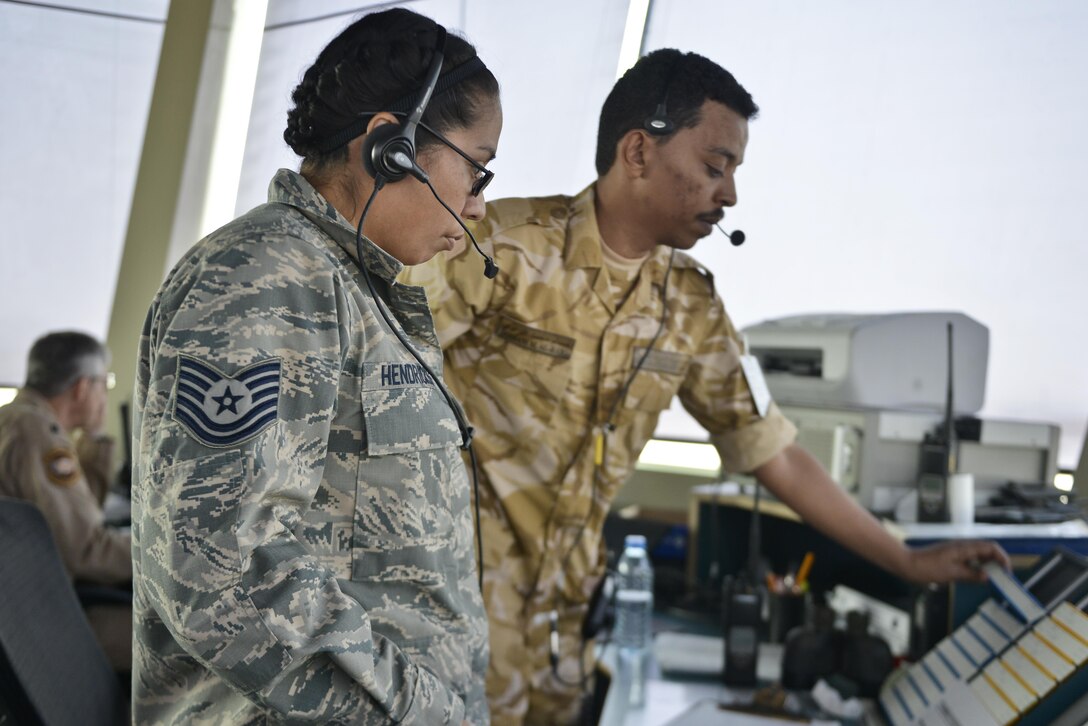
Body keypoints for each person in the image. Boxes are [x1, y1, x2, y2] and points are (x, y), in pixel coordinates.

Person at [401, 49, 1011, 725]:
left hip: (564, 631)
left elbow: (773, 451)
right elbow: (372, 376)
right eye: (715, 167)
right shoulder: (499, 248)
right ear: (637, 151)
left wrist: (907, 560)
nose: (730, 195)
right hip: (451, 614)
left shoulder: (690, 306)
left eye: (734, 174)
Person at [131, 8, 501, 724]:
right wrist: (417, 710)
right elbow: (220, 574)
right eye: (476, 169)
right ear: (392, 147)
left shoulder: (349, 285)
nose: (478, 207)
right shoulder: (267, 282)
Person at [0, 330, 132, 671]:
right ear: (82, 387)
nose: (106, 392)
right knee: (180, 640)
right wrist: (164, 552)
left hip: (24, 604)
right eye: (105, 382)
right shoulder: (39, 434)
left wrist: (97, 439)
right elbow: (87, 550)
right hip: (41, 614)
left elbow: (81, 514)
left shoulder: (18, 417)